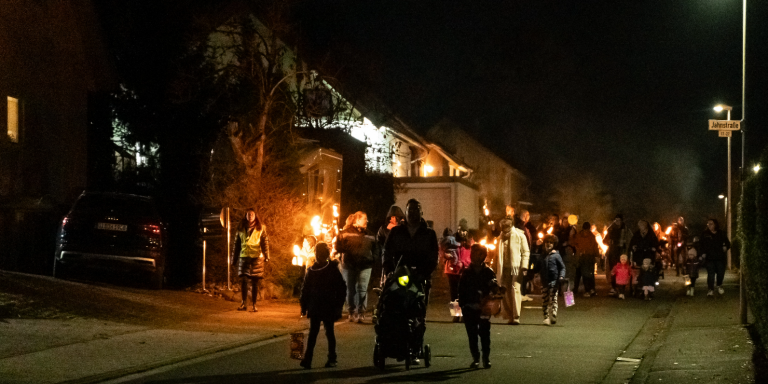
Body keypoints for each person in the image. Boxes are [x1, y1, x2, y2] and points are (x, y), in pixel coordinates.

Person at [382, 198, 439, 363]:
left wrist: (424, 273)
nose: (413, 213)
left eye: (416, 210)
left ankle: (415, 347)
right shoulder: (396, 232)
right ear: (405, 213)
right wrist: (388, 270)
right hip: (399, 275)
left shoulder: (428, 234)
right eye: (410, 210)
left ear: (421, 212)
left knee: (418, 313)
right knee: (395, 309)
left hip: (420, 277)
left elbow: (433, 256)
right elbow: (387, 251)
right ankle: (396, 344)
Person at [299, 243, 346, 369]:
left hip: (323, 305)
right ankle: (328, 358)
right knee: (324, 333)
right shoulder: (321, 269)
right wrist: (304, 305)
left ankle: (316, 359)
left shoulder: (320, 270)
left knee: (320, 333)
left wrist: (304, 305)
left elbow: (305, 290)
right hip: (323, 306)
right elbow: (306, 289)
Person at [458, 244, 505, 369]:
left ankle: (486, 357)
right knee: (472, 334)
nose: (475, 256)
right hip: (469, 306)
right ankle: (476, 357)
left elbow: (494, 287)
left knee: (485, 333)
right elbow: (461, 290)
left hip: (484, 306)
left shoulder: (488, 272)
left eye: (479, 254)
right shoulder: (467, 272)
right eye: (473, 253)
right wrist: (463, 305)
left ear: (484, 256)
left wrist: (496, 289)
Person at [335, 211, 377, 323]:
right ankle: (352, 311)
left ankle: (360, 313)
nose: (367, 221)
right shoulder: (345, 233)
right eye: (365, 219)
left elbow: (376, 248)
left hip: (365, 265)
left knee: (362, 289)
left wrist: (373, 259)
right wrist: (347, 252)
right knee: (350, 289)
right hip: (350, 265)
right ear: (357, 220)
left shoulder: (371, 234)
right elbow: (338, 246)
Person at [495, 210, 530, 325]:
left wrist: (524, 266)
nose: (505, 228)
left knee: (515, 291)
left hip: (516, 268)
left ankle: (516, 316)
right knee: (504, 291)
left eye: (506, 226)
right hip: (503, 268)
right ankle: (509, 314)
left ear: (511, 225)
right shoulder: (500, 238)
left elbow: (526, 252)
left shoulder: (520, 235)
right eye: (503, 226)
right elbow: (496, 255)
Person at [233, 208, 270, 312]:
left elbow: (265, 242)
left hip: (256, 258)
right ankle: (244, 303)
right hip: (244, 257)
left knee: (255, 283)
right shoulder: (241, 227)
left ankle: (254, 304)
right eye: (248, 214)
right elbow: (236, 244)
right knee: (243, 281)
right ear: (246, 216)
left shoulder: (261, 228)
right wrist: (234, 259)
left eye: (252, 214)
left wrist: (267, 255)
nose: (250, 216)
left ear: (255, 216)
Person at [604, 214, 633, 295]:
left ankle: (621, 287)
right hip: (613, 252)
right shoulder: (611, 229)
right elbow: (605, 240)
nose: (617, 222)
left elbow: (630, 239)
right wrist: (609, 242)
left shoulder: (626, 230)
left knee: (621, 270)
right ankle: (613, 287)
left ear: (621, 221)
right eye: (616, 220)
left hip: (621, 252)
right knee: (613, 270)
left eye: (619, 220)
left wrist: (627, 246)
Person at [701, 218, 731, 297]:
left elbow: (728, 243)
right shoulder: (705, 234)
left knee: (720, 272)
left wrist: (726, 247)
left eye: (711, 224)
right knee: (711, 274)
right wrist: (702, 253)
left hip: (720, 257)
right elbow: (701, 244)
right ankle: (710, 289)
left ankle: (719, 285)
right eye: (708, 224)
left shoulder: (721, 233)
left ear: (715, 224)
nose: (709, 225)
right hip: (709, 258)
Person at [540, 234, 565, 326]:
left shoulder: (556, 255)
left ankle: (553, 314)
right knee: (545, 300)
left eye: (551, 242)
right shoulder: (542, 255)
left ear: (554, 244)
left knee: (553, 298)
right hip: (544, 281)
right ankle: (546, 317)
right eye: (547, 242)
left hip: (554, 281)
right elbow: (538, 267)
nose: (549, 244)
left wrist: (561, 277)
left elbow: (562, 267)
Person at [571, 222, 599, 297]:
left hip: (587, 258)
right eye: (585, 230)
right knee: (579, 274)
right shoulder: (579, 236)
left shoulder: (590, 236)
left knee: (587, 275)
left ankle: (589, 290)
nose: (586, 232)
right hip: (581, 258)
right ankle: (578, 290)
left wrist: (596, 256)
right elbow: (573, 243)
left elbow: (595, 247)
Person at [440, 228, 463, 304]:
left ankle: (455, 313)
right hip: (459, 268)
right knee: (460, 291)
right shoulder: (459, 243)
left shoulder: (443, 242)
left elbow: (442, 255)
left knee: (453, 292)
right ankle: (461, 310)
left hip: (449, 269)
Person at [519, 209, 537, 300]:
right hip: (522, 255)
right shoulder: (521, 227)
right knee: (522, 274)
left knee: (526, 273)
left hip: (527, 254)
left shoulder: (527, 227)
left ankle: (523, 292)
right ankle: (521, 293)